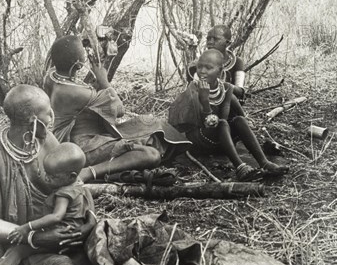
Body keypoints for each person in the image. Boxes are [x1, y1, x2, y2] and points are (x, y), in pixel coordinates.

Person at [0, 84, 137, 265]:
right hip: (30, 245)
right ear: (33, 120)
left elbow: (75, 184)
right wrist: (35, 237)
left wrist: (86, 226)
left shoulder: (46, 139)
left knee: (109, 243)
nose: (52, 118)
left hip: (68, 229)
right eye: (48, 113)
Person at [43, 35, 190, 183]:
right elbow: (120, 110)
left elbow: (87, 100)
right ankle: (90, 172)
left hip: (87, 137)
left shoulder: (51, 77)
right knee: (151, 154)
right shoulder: (76, 93)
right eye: (83, 53)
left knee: (149, 122)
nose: (87, 55)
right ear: (78, 64)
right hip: (84, 147)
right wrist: (104, 80)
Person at [0, 143, 96, 265]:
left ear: (71, 176)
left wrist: (27, 227)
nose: (47, 179)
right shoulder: (78, 186)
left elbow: (56, 217)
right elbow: (87, 200)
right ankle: (3, 264)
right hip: (69, 233)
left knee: (20, 250)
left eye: (53, 177)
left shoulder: (63, 193)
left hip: (60, 235)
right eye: (46, 174)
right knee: (21, 250)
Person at [169, 49, 288, 181]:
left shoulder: (226, 88)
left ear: (220, 72)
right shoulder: (193, 91)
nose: (202, 71)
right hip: (200, 141)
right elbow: (206, 124)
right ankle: (240, 167)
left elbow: (223, 118)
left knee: (239, 120)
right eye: (200, 66)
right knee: (222, 123)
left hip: (219, 137)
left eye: (208, 67)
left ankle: (265, 163)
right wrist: (204, 101)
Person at [187, 24, 247, 102]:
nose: (210, 42)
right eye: (208, 39)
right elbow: (191, 93)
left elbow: (240, 92)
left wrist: (221, 84)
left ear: (227, 43)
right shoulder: (197, 64)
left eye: (215, 39)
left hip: (229, 106)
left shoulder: (237, 62)